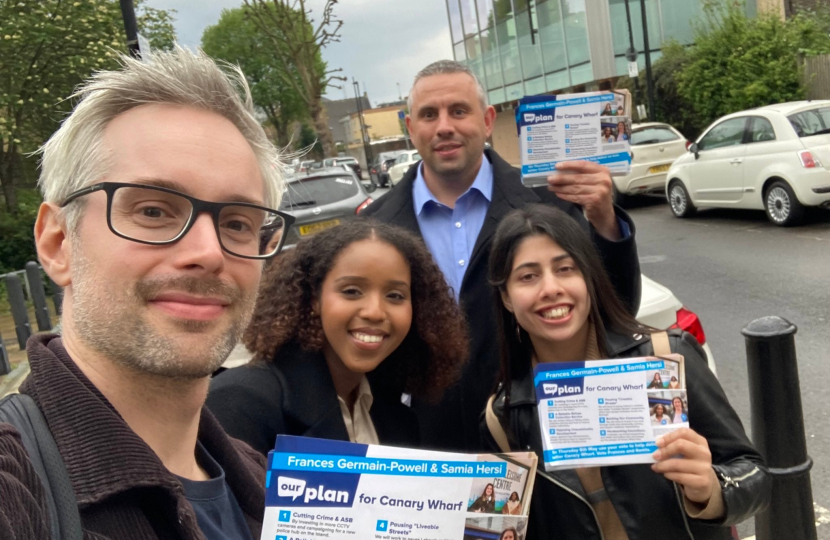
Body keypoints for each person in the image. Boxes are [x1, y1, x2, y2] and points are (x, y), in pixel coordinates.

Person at [0, 48, 290, 539]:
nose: (209, 252)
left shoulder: (266, 485)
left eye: (238, 222)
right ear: (58, 242)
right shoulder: (16, 486)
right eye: (154, 211)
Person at [361, 59, 641, 452]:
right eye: (429, 115)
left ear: (488, 120)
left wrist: (605, 222)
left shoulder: (552, 205)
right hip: (422, 454)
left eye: (459, 111)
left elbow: (617, 311)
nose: (444, 126)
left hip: (533, 435)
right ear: (410, 128)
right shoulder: (373, 227)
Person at [482, 204, 771, 539]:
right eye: (528, 276)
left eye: (565, 269)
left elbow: (755, 475)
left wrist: (712, 488)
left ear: (589, 276)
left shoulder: (664, 359)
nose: (550, 288)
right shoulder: (503, 417)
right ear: (506, 296)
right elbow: (502, 527)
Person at [206, 221, 468, 455]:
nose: (375, 312)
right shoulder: (242, 403)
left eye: (395, 296)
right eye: (352, 291)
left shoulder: (398, 418)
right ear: (313, 298)